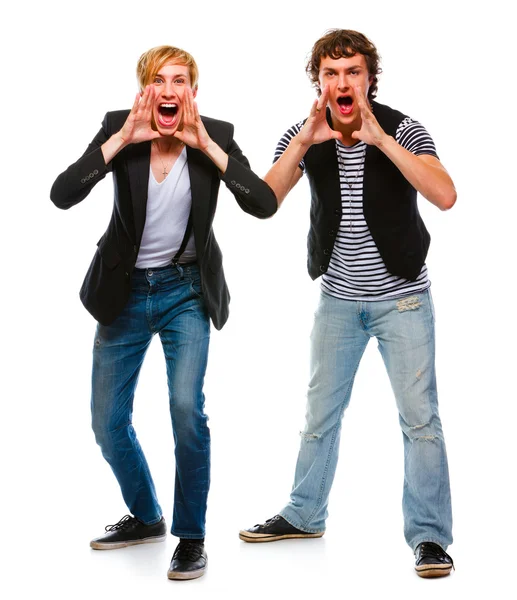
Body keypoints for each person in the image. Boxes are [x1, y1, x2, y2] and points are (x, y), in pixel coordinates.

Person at [51, 44, 277, 581]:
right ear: (145, 90)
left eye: (180, 81)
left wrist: (207, 146)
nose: (169, 91)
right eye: (159, 81)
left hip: (185, 292)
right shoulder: (119, 129)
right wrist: (120, 140)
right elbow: (62, 195)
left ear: (192, 93)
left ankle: (191, 535)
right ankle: (147, 516)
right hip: (123, 293)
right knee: (106, 424)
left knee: (184, 407)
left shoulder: (215, 135)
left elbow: (263, 203)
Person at [239, 29, 456, 578]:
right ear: (319, 80)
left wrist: (382, 140)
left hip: (402, 300)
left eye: (352, 72)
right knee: (319, 415)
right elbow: (263, 203)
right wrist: (302, 143)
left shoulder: (403, 127)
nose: (342, 82)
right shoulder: (304, 133)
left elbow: (445, 195)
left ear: (368, 78)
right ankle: (304, 514)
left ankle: (429, 538)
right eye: (331, 73)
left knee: (420, 421)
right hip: (337, 300)